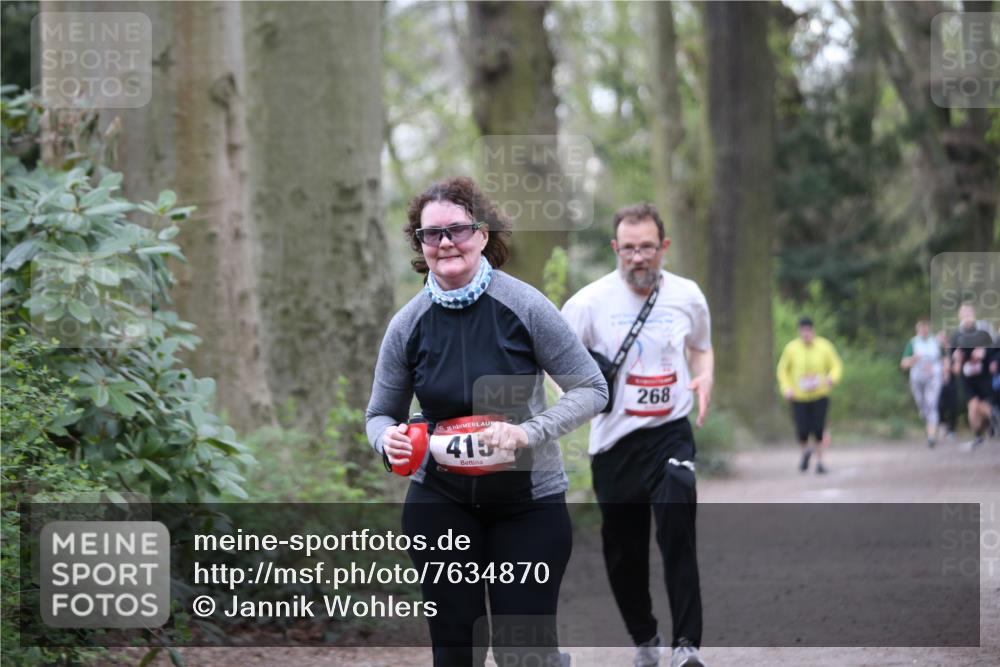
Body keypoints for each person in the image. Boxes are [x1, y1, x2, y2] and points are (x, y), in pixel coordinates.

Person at [365, 177, 607, 667]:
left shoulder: (525, 305)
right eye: (431, 234)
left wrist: (527, 431)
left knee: (523, 651)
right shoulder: (407, 324)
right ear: (420, 244)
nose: (445, 242)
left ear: (482, 233)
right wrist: (386, 439)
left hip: (527, 504)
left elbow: (591, 388)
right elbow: (379, 414)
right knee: (457, 648)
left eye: (457, 229)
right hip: (440, 502)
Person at [561, 203, 712, 667]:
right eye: (628, 248)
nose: (638, 257)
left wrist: (704, 376)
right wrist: (585, 393)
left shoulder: (687, 296)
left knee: (678, 525)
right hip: (615, 443)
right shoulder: (587, 304)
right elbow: (555, 363)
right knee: (624, 554)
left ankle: (686, 646)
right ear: (615, 248)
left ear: (664, 246)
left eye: (647, 247)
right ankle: (645, 637)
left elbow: (701, 347)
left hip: (670, 432)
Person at [776, 317, 843, 474]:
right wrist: (786, 388)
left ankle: (820, 462)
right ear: (799, 332)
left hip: (820, 395)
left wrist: (831, 379)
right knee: (802, 430)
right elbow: (782, 370)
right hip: (798, 396)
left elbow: (836, 365)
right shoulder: (791, 348)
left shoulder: (824, 346)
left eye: (808, 331)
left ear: (813, 331)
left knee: (819, 429)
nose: (806, 334)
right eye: (803, 331)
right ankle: (805, 453)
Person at [950, 302, 995, 449]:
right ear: (959, 316)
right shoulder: (956, 335)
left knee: (985, 405)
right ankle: (978, 436)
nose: (966, 316)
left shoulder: (983, 330)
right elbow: (953, 357)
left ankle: (992, 422)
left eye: (969, 313)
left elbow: (994, 349)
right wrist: (956, 360)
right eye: (964, 314)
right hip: (968, 377)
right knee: (973, 406)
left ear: (974, 314)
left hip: (984, 375)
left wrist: (984, 352)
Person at [900, 318, 944, 447]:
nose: (924, 330)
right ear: (917, 329)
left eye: (926, 327)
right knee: (922, 406)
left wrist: (941, 370)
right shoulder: (913, 343)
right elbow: (904, 364)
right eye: (921, 327)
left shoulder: (936, 342)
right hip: (917, 379)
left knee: (931, 404)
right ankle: (929, 426)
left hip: (933, 378)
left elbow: (945, 359)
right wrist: (914, 359)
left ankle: (931, 437)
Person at [937, 329, 960, 440]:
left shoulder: (954, 352)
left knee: (952, 406)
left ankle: (951, 430)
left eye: (944, 339)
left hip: (951, 382)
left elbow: (957, 370)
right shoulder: (935, 352)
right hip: (937, 382)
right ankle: (942, 426)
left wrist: (948, 367)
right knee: (939, 406)